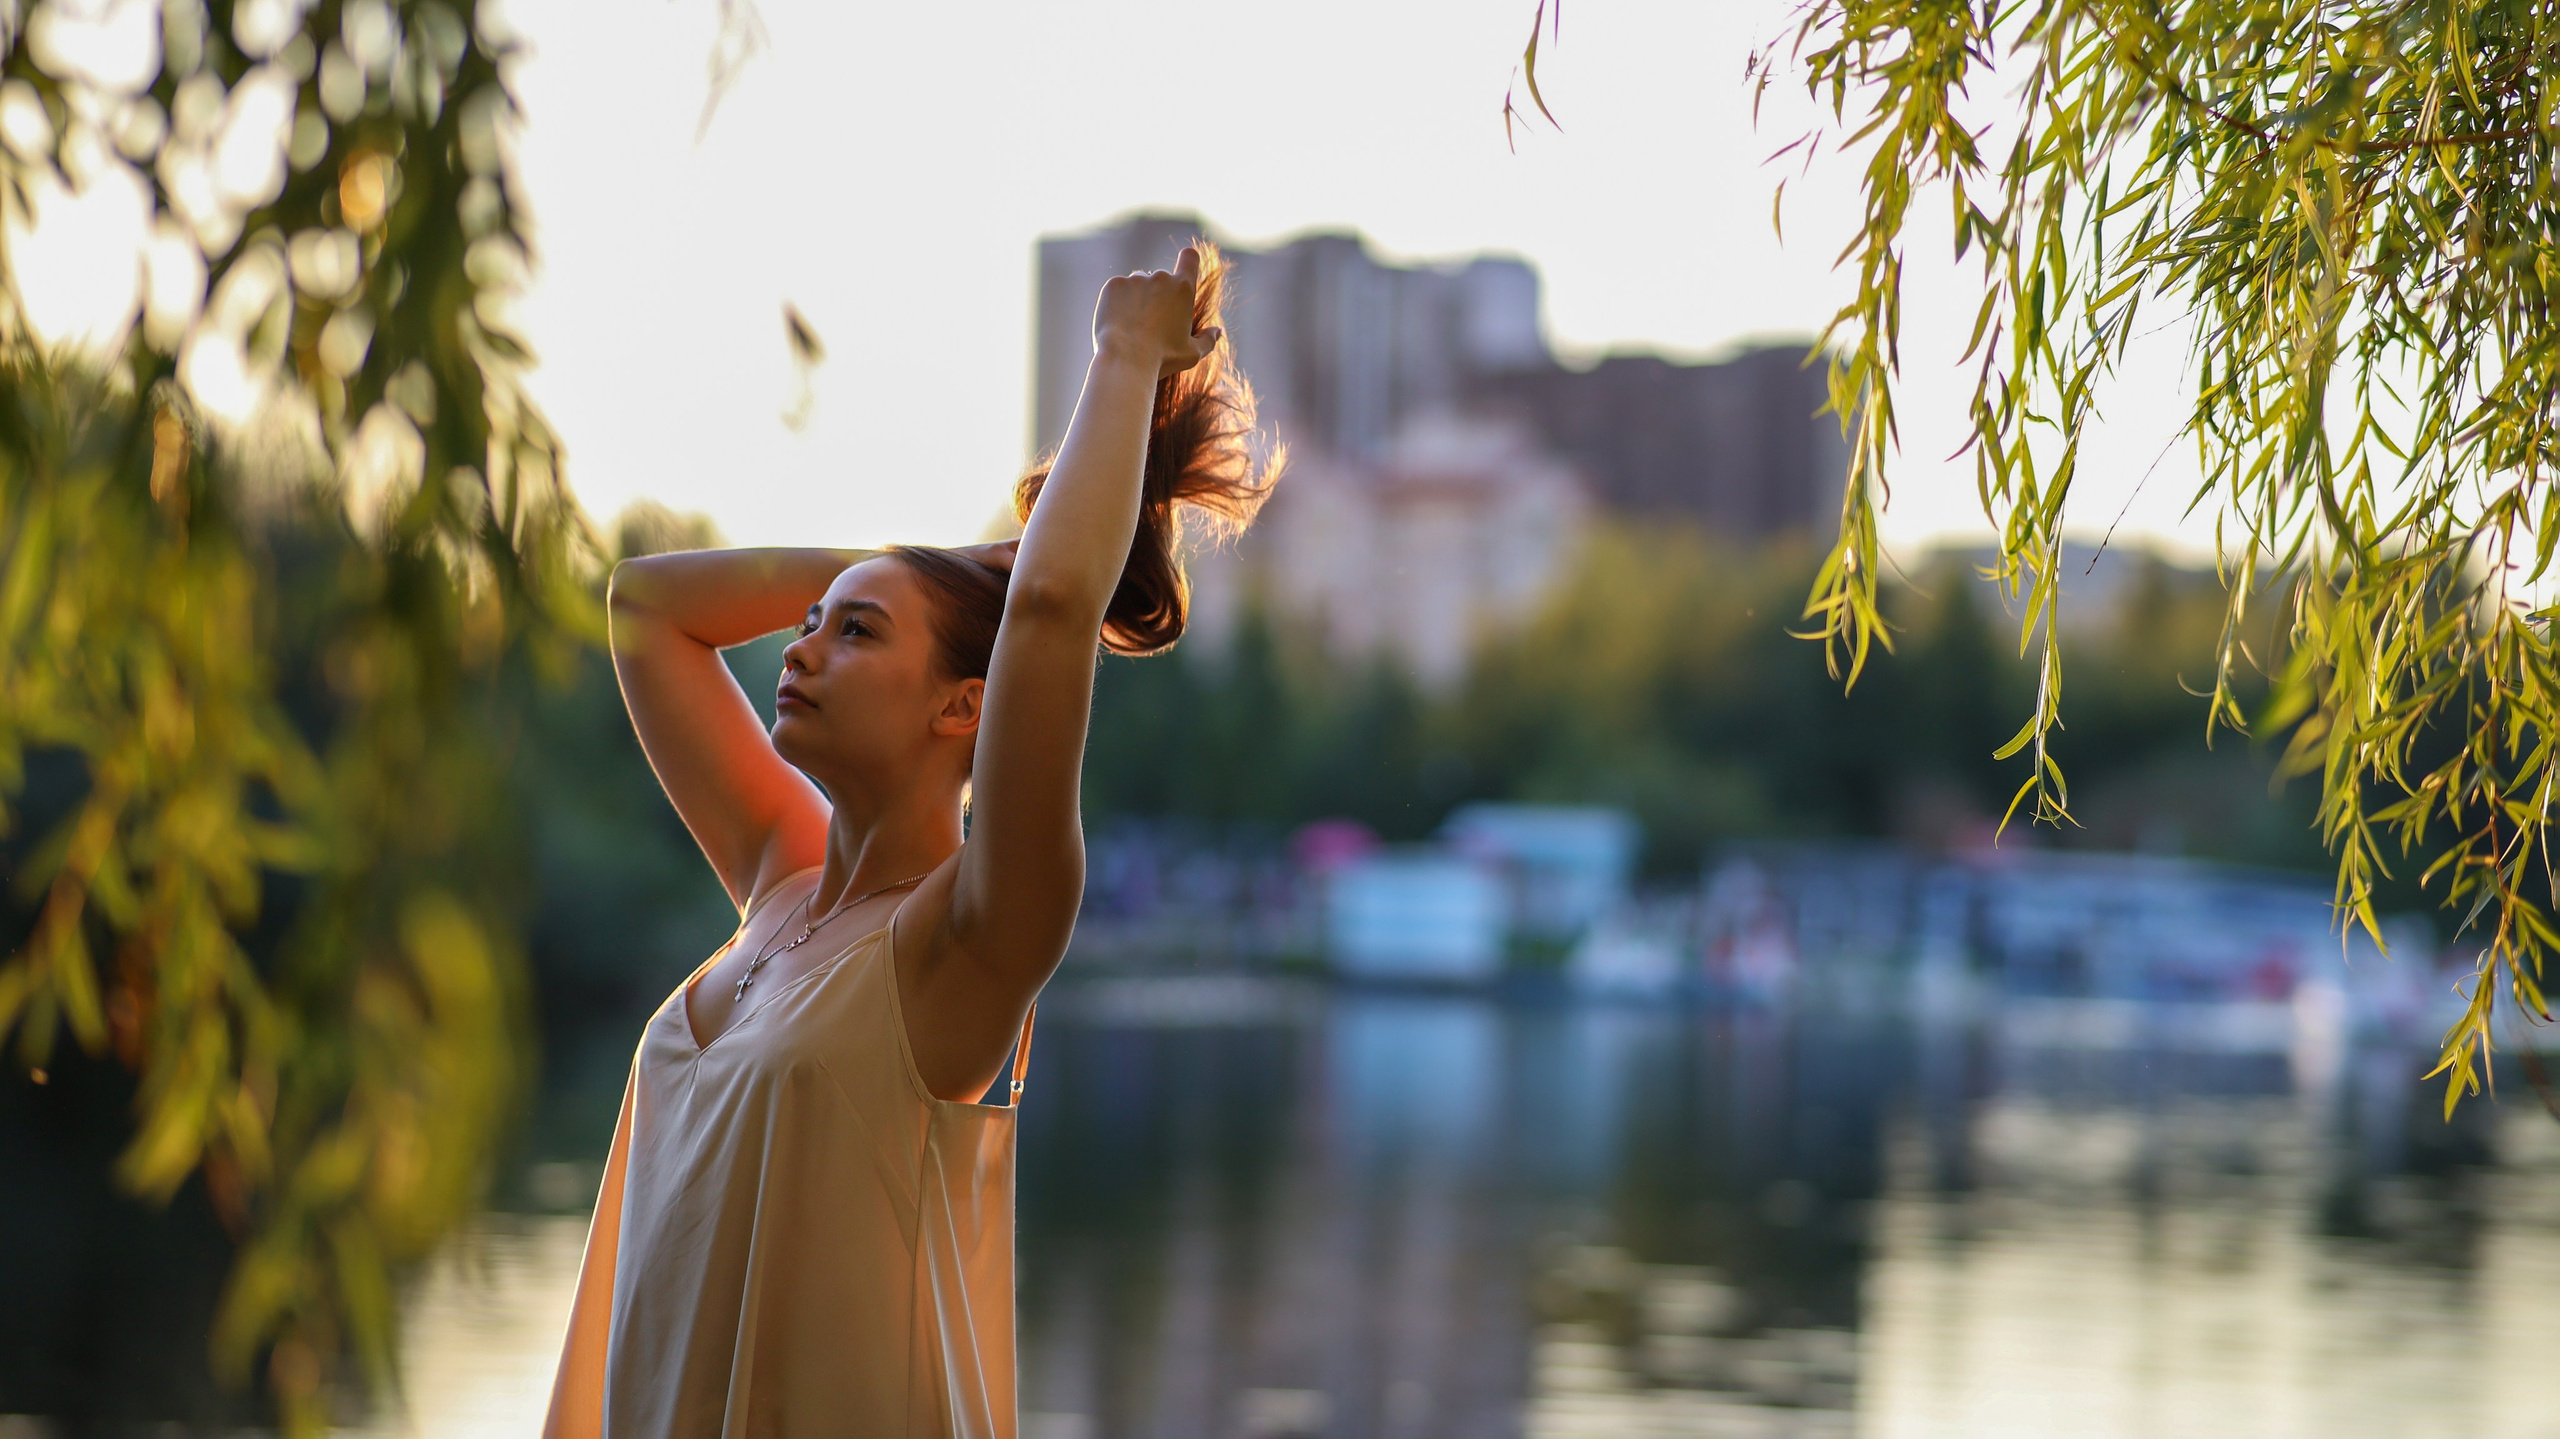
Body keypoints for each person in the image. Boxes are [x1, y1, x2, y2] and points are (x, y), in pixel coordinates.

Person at [543, 244, 1275, 1439]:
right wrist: (908, 575)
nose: (798, 647)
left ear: (962, 708)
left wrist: (1125, 352)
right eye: (811, 626)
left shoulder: (969, 939)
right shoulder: (780, 885)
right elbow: (645, 608)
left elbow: (1045, 616)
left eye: (854, 635)